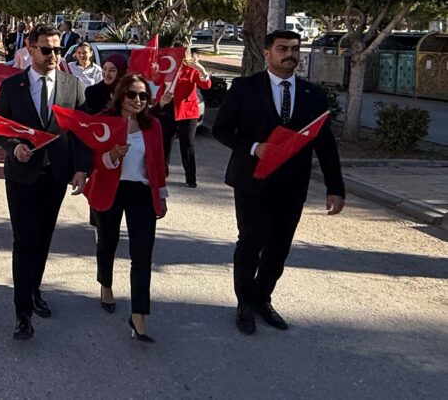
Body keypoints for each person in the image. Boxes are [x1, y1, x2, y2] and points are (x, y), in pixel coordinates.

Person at [212, 29, 344, 336]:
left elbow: (325, 145)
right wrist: (256, 147)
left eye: (295, 49)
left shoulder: (314, 95)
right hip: (252, 182)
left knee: (278, 248)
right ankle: (244, 302)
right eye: (283, 48)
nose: (290, 54)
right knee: (251, 242)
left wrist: (335, 187)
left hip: (292, 186)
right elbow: (221, 129)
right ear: (267, 53)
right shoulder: (245, 88)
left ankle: (262, 298)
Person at [0, 24, 91, 340]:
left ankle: (34, 289)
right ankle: (22, 314)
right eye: (46, 49)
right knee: (24, 240)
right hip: (21, 176)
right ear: (30, 49)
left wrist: (81, 168)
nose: (53, 55)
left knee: (44, 237)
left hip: (56, 175)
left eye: (57, 49)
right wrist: (13, 146)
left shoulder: (72, 86)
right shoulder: (12, 87)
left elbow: (81, 132)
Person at [82, 74, 168, 343]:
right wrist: (111, 156)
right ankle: (105, 285)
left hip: (141, 192)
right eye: (132, 94)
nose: (137, 100)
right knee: (108, 242)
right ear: (120, 95)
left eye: (143, 96)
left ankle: (139, 316)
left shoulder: (152, 125)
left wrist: (161, 196)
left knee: (142, 254)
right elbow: (95, 158)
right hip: (110, 188)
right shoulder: (104, 122)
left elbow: (158, 165)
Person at [156, 50, 211, 188]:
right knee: (165, 142)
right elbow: (157, 81)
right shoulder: (167, 65)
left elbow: (206, 85)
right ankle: (162, 173)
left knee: (187, 144)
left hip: (187, 111)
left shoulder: (191, 69)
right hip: (168, 107)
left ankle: (190, 177)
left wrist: (201, 69)